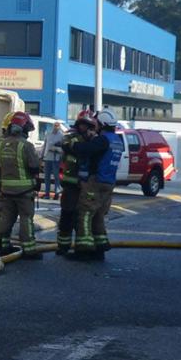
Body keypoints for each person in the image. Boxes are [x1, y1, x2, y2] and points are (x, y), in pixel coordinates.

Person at [59, 109, 122, 258]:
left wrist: (71, 147)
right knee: (98, 215)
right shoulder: (117, 140)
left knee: (85, 214)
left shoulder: (102, 139)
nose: (95, 126)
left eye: (97, 124)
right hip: (109, 182)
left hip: (96, 181)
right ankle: (100, 247)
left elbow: (85, 150)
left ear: (102, 124)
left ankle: (84, 249)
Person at [0, 111, 44, 261]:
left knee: (6, 219)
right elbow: (34, 167)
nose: (28, 133)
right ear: (22, 129)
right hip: (24, 191)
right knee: (26, 219)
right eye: (27, 130)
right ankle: (29, 249)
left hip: (6, 190)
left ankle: (2, 247)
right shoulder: (26, 146)